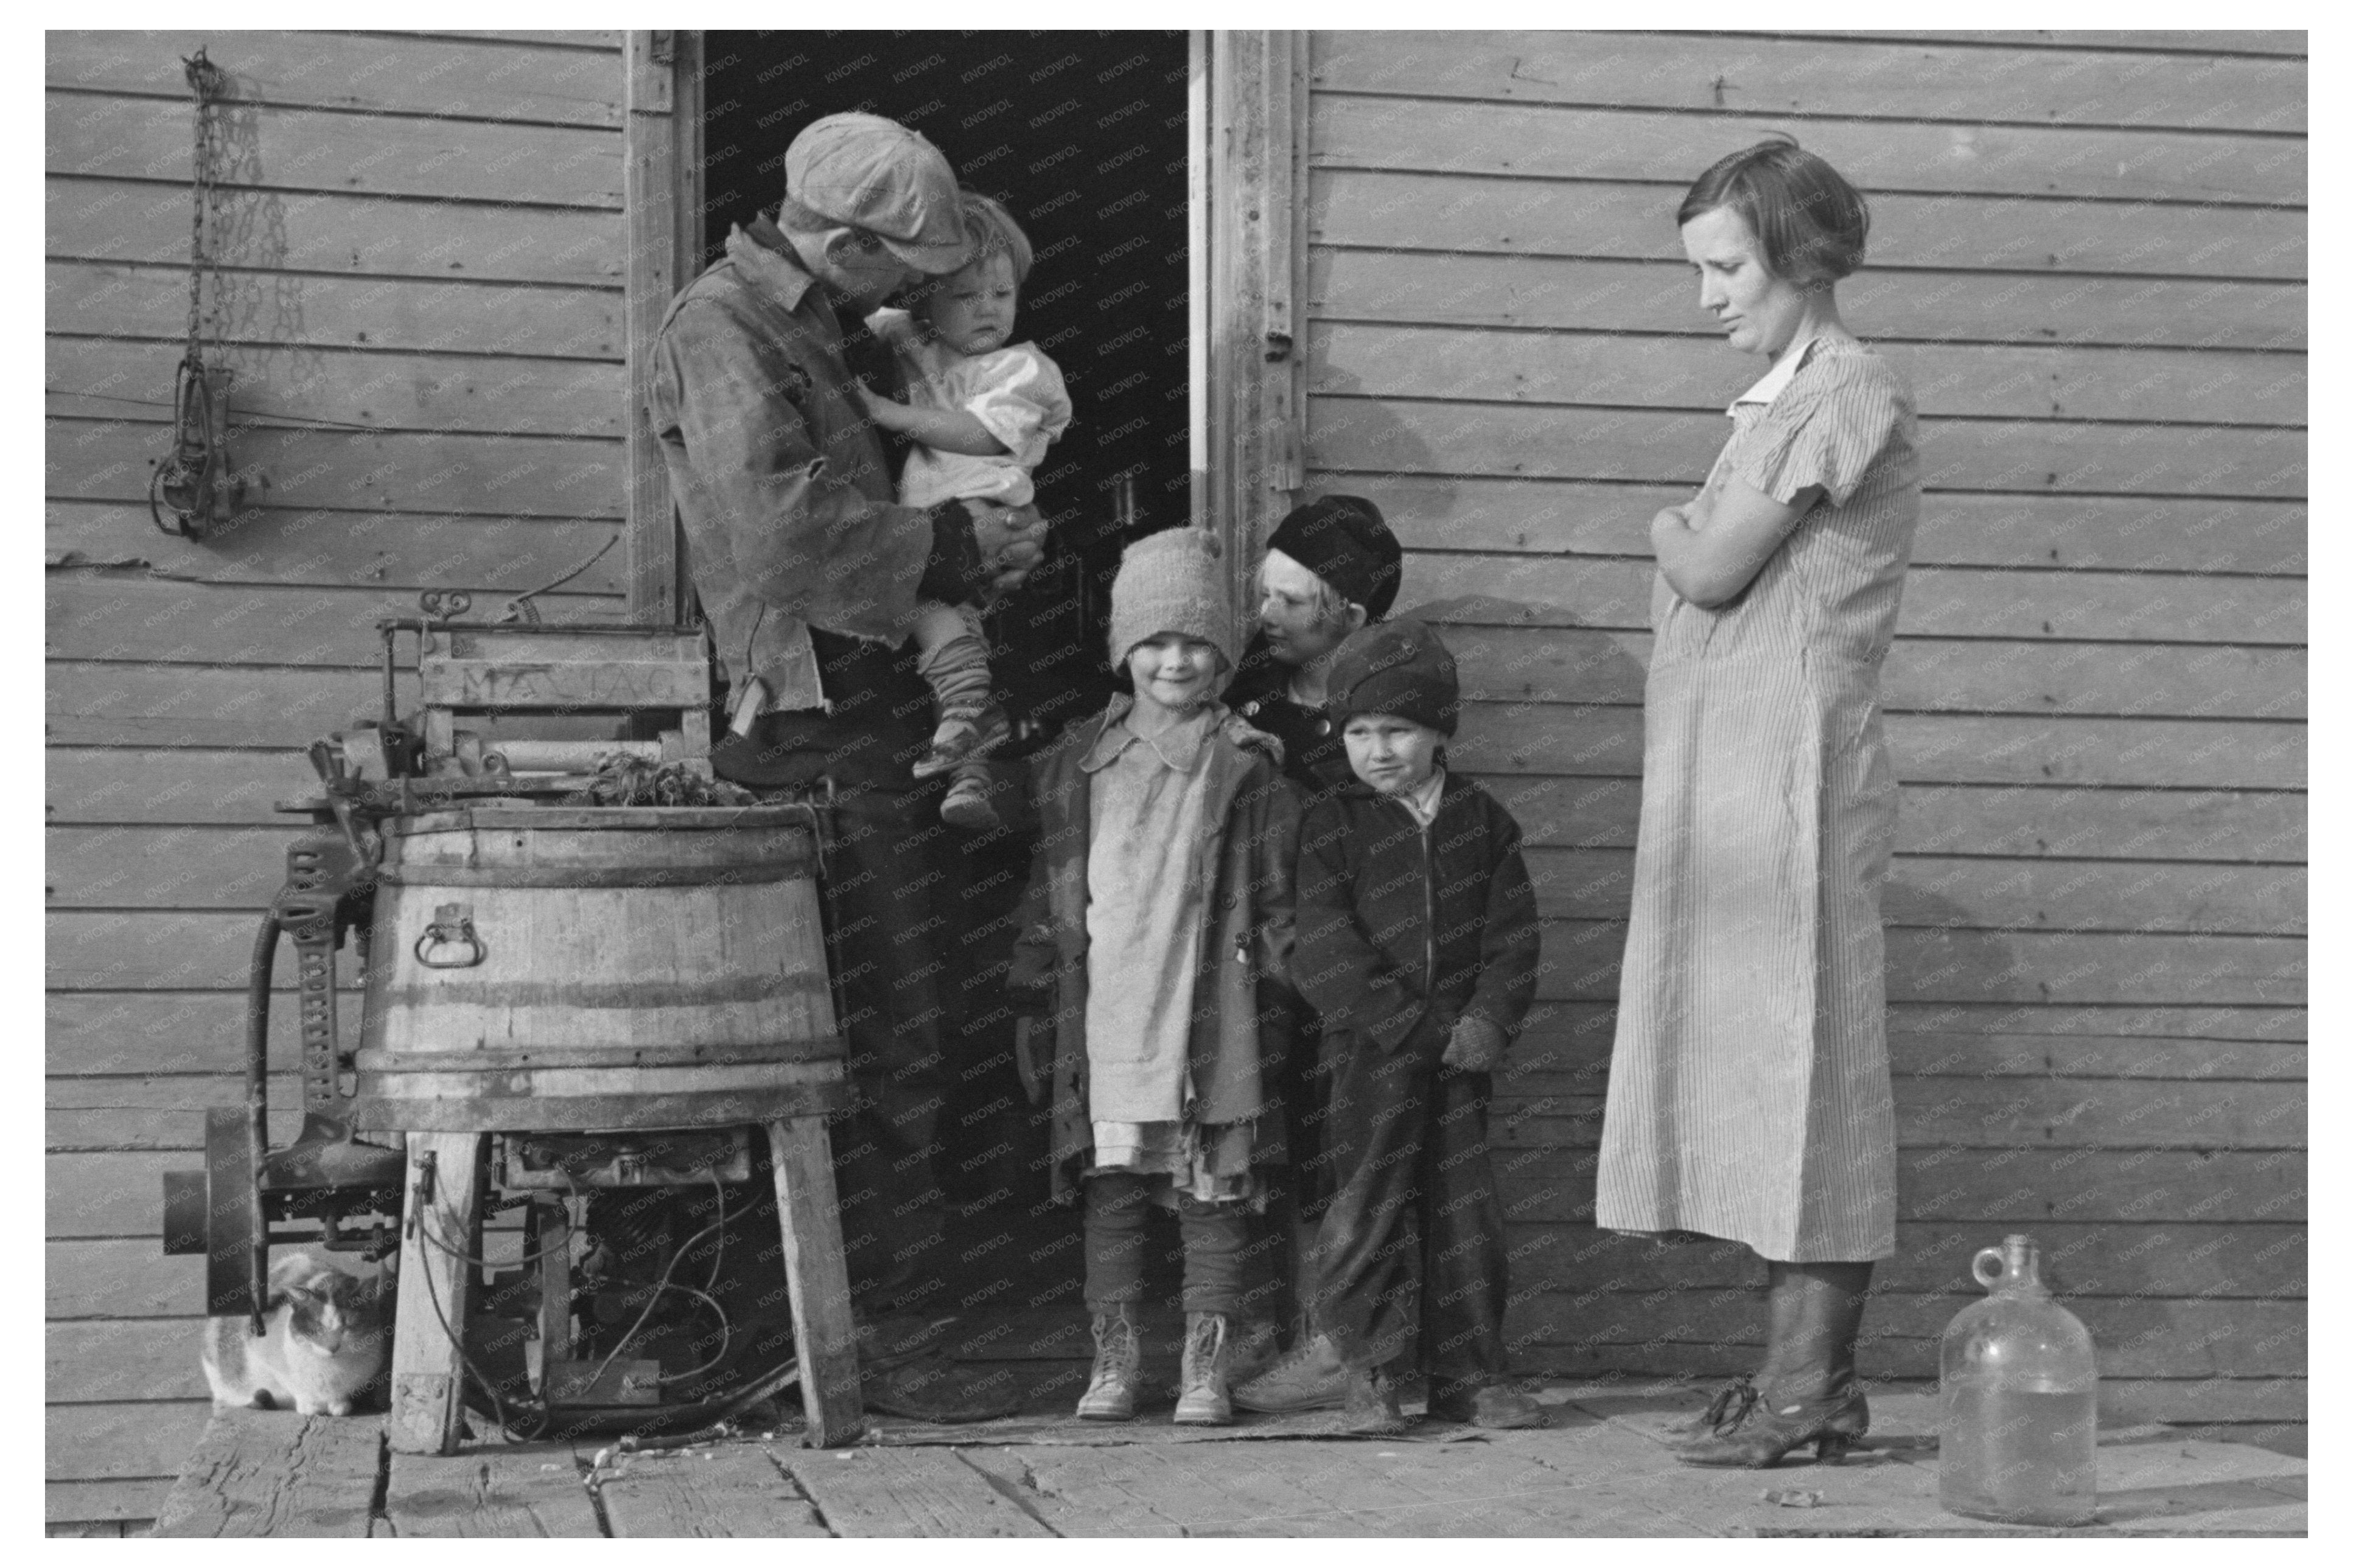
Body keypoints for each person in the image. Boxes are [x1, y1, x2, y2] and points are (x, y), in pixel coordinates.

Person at [645, 110, 1047, 1421]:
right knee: (866, 1034)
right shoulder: (726, 326)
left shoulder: (814, 322)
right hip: (810, 732)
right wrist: (956, 554)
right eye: (908, 263)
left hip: (875, 710)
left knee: (913, 1026)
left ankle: (871, 1329)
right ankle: (835, 1342)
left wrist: (980, 537)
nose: (924, 288)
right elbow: (776, 532)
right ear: (844, 239)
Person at [1593, 136, 1921, 1468]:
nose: (1707, 296)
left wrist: (1663, 535)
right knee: (1752, 1067)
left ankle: (1810, 1387)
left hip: (1793, 781)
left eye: (1725, 267)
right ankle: (1787, 1370)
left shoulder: (1845, 391)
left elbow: (1716, 564)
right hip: (1729, 785)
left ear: (1799, 257)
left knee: (1813, 1071)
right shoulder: (1772, 403)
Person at [1007, 526, 1298, 1426]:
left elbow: (1284, 895)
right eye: (1154, 641)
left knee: (1211, 1187)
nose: (1175, 660)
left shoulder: (1248, 766)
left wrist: (1288, 985)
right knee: (1114, 1189)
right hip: (1108, 1011)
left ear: (1224, 653)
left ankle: (1203, 1366)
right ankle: (1115, 1358)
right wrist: (1028, 979)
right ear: (1122, 649)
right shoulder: (1076, 761)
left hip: (1207, 1004)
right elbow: (1046, 888)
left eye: (1196, 642)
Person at [1287, 619, 1543, 1433]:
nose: (1378, 749)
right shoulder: (1332, 824)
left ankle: (1471, 1373)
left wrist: (1487, 1022)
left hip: (1461, 1060)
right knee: (1369, 1206)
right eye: (1358, 731)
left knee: (1464, 1211)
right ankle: (1373, 1371)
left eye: (1397, 729)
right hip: (1370, 1056)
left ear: (1439, 731)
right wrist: (1411, 1027)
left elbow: (1514, 937)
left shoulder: (1483, 822)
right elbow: (1323, 948)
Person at [1221, 495, 1405, 1411]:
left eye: (1290, 600)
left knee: (1346, 1151)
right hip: (1255, 970)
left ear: (1351, 618)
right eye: (1264, 592)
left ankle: (1339, 1342)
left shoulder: (1380, 722)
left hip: (1347, 969)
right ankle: (1274, 1329)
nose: (1266, 613)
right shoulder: (1244, 695)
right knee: (1265, 1145)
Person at [857, 192, 1073, 831]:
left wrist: (886, 413)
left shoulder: (1022, 369)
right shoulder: (913, 338)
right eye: (965, 295)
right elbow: (852, 311)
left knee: (930, 615)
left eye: (1001, 295)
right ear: (923, 297)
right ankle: (969, 775)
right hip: (936, 521)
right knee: (957, 635)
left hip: (981, 513)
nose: (987, 309)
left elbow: (983, 435)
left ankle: (966, 714)